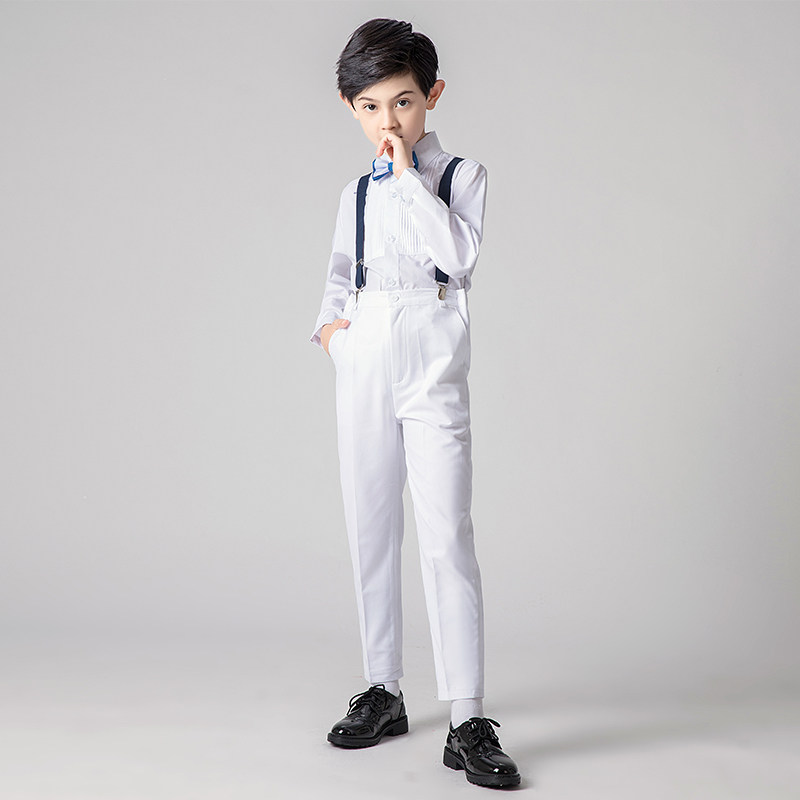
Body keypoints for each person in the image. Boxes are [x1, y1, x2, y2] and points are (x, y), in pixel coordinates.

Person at [309, 18, 520, 788]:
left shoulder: (461, 175)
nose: (387, 122)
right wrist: (333, 336)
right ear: (350, 107)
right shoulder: (353, 194)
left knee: (446, 533)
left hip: (431, 358)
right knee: (370, 523)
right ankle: (384, 688)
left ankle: (467, 716)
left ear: (432, 95)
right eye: (370, 107)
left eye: (402, 101)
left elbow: (458, 257)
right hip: (365, 354)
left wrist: (406, 179)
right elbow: (341, 274)